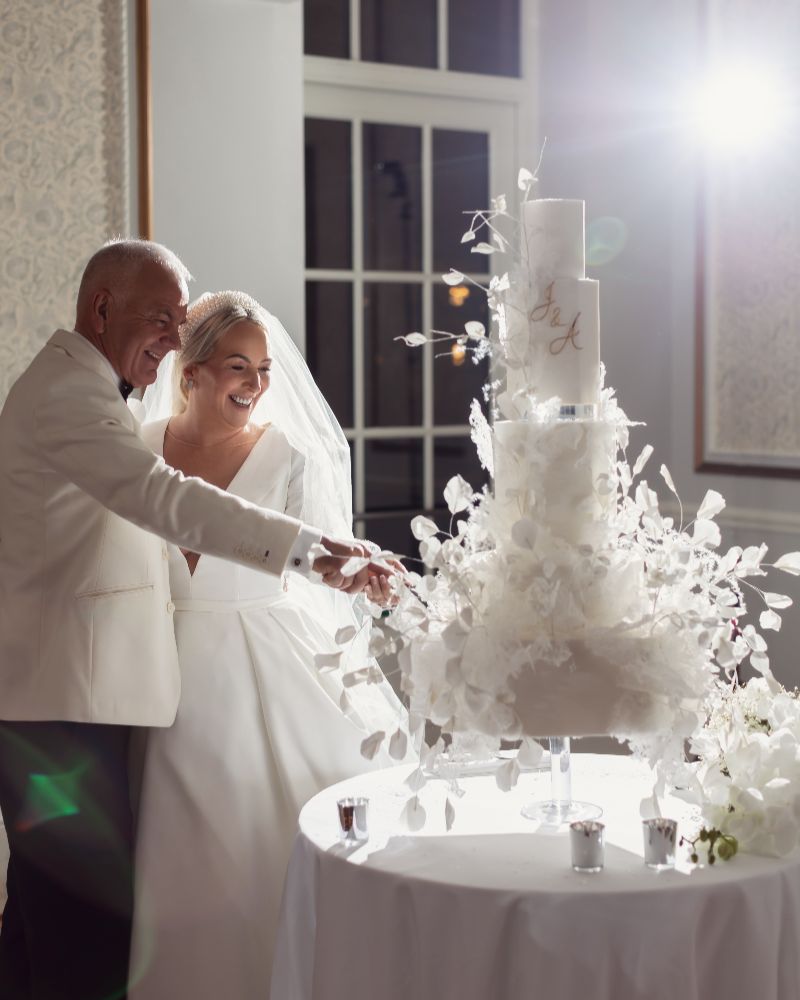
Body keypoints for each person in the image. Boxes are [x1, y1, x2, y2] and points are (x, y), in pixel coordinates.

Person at [0, 241, 389, 1000]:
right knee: (80, 934)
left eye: (182, 323)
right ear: (102, 307)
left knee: (42, 923)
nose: (175, 340)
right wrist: (315, 552)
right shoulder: (71, 398)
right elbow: (164, 499)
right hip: (57, 713)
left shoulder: (82, 390)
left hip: (96, 698)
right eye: (160, 319)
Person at [128, 290, 409, 999]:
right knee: (179, 858)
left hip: (264, 658)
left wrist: (363, 576)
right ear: (189, 373)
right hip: (161, 672)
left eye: (262, 369)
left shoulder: (284, 451)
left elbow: (317, 557)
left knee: (262, 846)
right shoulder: (138, 447)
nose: (254, 385)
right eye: (235, 367)